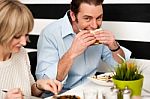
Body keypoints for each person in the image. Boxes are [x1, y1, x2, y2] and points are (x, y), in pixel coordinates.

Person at [36, 0, 131, 90]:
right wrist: (71, 53)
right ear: (73, 15)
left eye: (99, 18)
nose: (94, 25)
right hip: (63, 94)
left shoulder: (96, 31)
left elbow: (121, 68)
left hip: (92, 91)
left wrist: (114, 46)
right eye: (87, 18)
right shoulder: (50, 33)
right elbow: (45, 82)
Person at [0, 0, 62, 99]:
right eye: (17, 36)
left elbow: (30, 93)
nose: (24, 42)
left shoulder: (22, 53)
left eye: (26, 34)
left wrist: (39, 86)